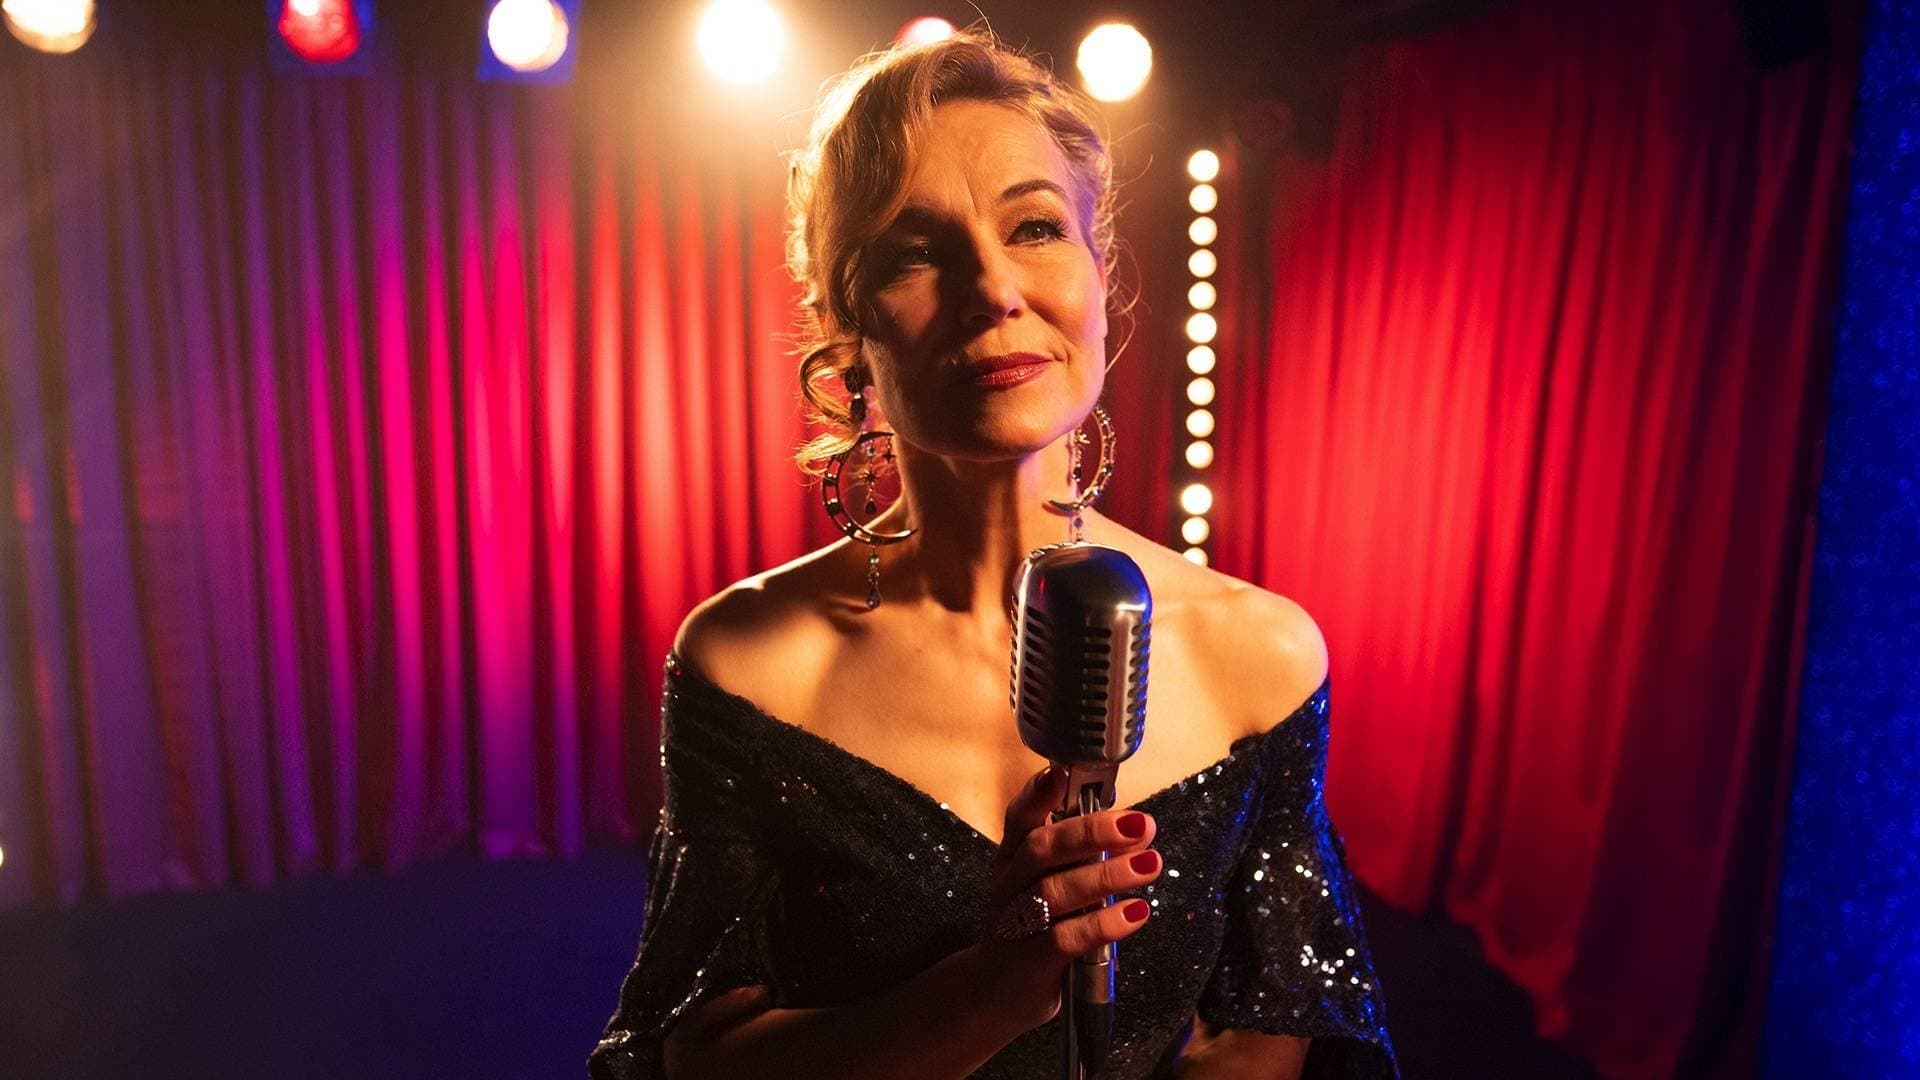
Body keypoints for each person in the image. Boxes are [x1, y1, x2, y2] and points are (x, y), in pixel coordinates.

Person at [590, 30, 1397, 1080]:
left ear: (1100, 277)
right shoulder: (750, 663)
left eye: (1035, 228)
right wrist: (987, 992)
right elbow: (700, 1060)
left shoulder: (1264, 655)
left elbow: (1269, 1032)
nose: (993, 288)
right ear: (846, 333)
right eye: (914, 252)